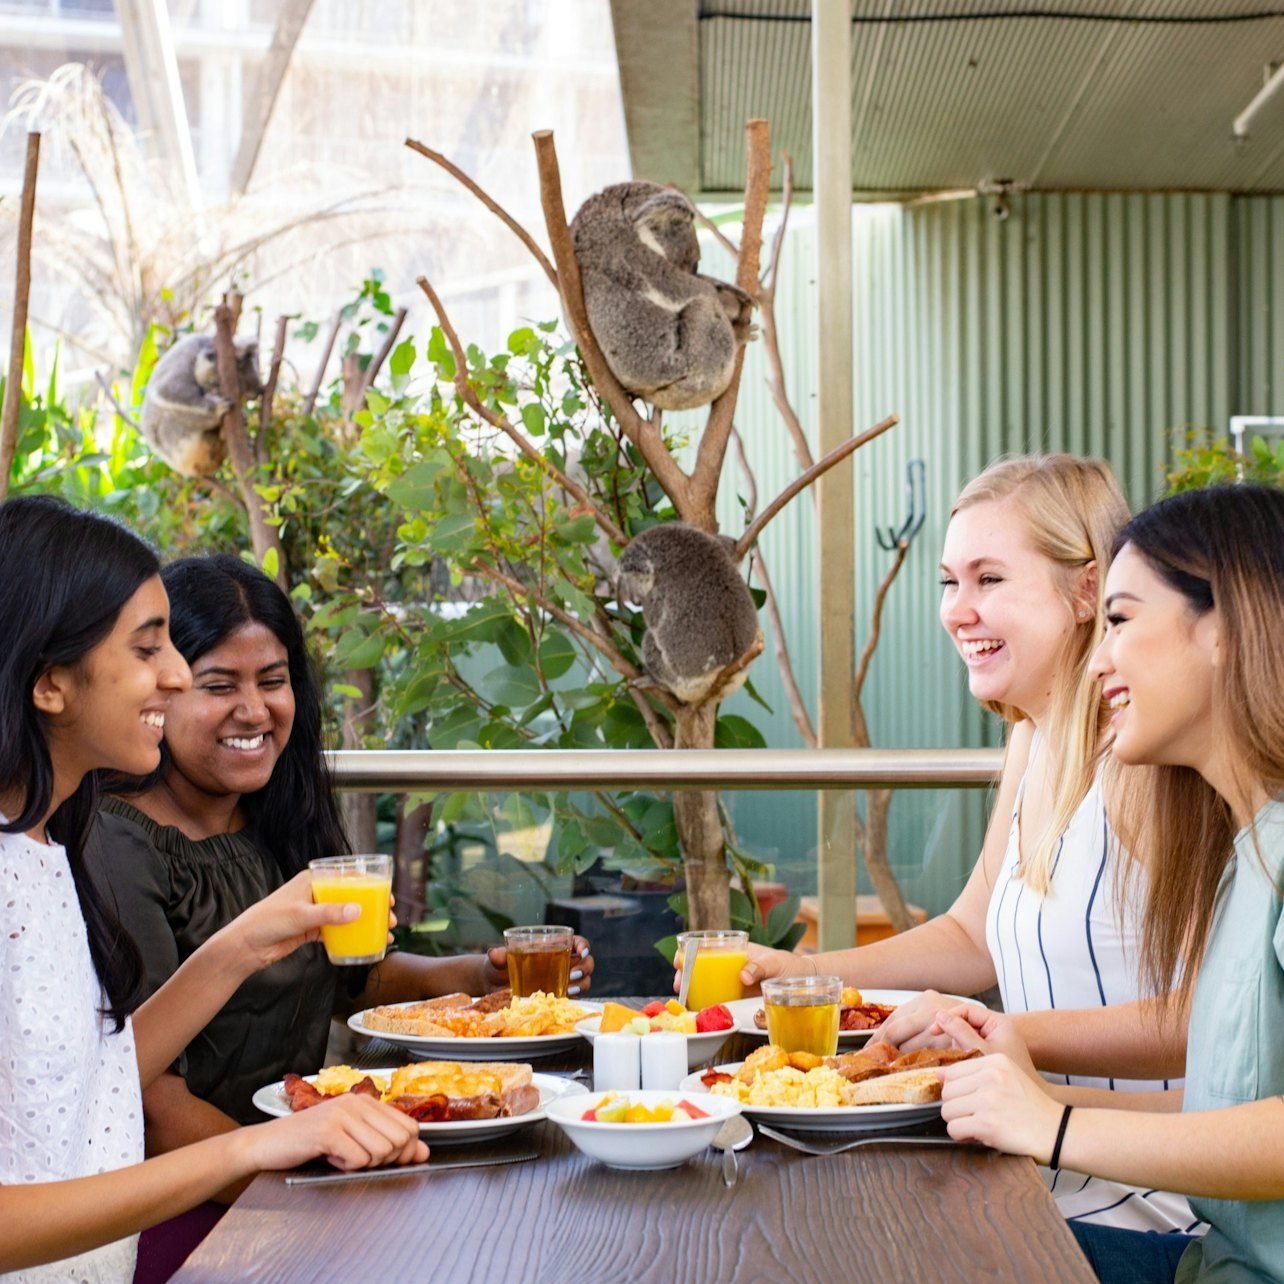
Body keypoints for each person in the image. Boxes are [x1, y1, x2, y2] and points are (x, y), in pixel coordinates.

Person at [716, 454, 1196, 1232]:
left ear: (1085, 591)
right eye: (949, 582)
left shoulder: (1140, 762)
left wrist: (999, 1037)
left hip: (1138, 1213)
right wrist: (805, 973)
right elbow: (973, 937)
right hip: (1030, 1178)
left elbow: (1210, 1020)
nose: (957, 610)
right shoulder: (1034, 741)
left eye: (989, 579)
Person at [88, 554, 593, 1277]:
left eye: (273, 681)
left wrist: (478, 975)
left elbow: (352, 978)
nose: (255, 711)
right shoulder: (119, 840)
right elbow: (148, 1097)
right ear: (163, 689)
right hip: (192, 1203)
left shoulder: (276, 817)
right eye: (219, 686)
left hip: (318, 1162)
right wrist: (297, 1189)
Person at [0, 496, 426, 1282]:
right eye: (147, 649)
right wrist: (256, 1147)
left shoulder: (46, 844)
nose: (172, 676)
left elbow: (97, 1081)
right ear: (50, 683)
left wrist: (246, 942)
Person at [934, 484, 1284, 1283]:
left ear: (1224, 630)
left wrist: (1054, 1124)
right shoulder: (1248, 850)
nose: (1097, 661)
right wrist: (1016, 1102)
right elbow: (1222, 1117)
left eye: (1120, 622)